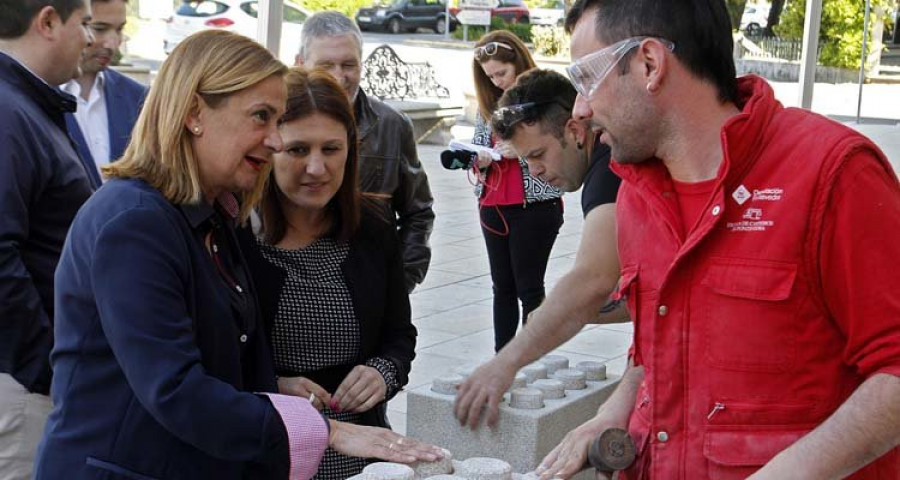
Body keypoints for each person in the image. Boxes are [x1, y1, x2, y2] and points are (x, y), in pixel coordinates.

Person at [34, 30, 442, 480]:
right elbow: (176, 390)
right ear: (194, 114)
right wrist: (324, 430)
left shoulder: (211, 213)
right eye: (261, 117)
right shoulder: (134, 222)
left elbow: (224, 360)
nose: (273, 140)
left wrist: (277, 388)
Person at [536, 0, 900, 479]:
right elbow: (653, 350)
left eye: (586, 79)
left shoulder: (832, 173)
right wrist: (610, 415)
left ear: (649, 64)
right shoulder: (638, 196)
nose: (580, 110)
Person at [239, 68, 417, 479]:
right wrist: (272, 384)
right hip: (269, 452)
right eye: (298, 149)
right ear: (269, 149)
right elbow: (213, 363)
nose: (317, 168)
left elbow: (398, 334)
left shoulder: (372, 227)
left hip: (364, 452)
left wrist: (383, 373)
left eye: (331, 149)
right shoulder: (236, 236)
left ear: (351, 152)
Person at [454, 68, 626, 429]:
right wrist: (572, 313)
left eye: (537, 154)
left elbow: (594, 278)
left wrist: (506, 362)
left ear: (573, 130)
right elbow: (636, 297)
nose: (534, 172)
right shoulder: (605, 162)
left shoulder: (607, 169)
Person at [0, 1, 94, 477]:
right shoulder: (8, 109)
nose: (92, 39)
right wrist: (47, 368)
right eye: (87, 23)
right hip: (22, 390)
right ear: (49, 21)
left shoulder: (25, 104)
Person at [296, 11, 435, 293]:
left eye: (349, 64)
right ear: (300, 63)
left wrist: (401, 282)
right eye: (326, 65)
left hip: (367, 289)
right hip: (293, 283)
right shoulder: (278, 121)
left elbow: (418, 213)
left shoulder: (393, 126)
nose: (339, 76)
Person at [469, 30, 564, 352]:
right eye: (490, 75)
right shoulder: (489, 104)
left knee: (530, 288)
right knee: (502, 288)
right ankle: (502, 359)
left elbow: (560, 154)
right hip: (493, 204)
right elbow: (477, 147)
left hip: (535, 206)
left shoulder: (544, 101)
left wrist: (521, 151)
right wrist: (478, 160)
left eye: (501, 72)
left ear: (519, 63)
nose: (496, 81)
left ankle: (531, 359)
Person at [62, 0, 146, 188]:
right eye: (99, 28)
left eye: (119, 29)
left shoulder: (139, 98)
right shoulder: (32, 98)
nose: (112, 43)